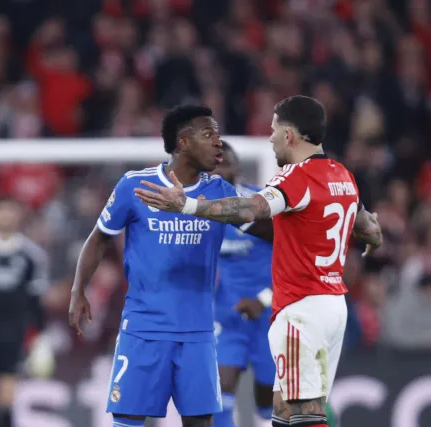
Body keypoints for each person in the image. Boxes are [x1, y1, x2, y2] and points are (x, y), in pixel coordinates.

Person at [134, 96, 383, 427]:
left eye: (274, 129)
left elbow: (251, 209)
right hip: (330, 304)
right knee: (285, 410)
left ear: (289, 135)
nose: (270, 138)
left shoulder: (295, 178)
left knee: (303, 414)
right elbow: (366, 226)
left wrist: (187, 206)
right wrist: (374, 236)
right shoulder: (342, 175)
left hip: (300, 307)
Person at [69, 105, 268, 427]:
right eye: (208, 134)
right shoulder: (136, 185)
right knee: (128, 420)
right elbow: (99, 237)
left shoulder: (219, 191)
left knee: (201, 423)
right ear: (183, 142)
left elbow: (266, 230)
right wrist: (79, 290)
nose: (218, 142)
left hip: (199, 333)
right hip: (144, 328)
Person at [0, 197, 52, 427]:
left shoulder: (31, 254)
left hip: (14, 333)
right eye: (1, 210)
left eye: (10, 211)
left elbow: (36, 299)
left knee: (6, 401)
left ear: (19, 216)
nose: (6, 216)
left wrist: (40, 337)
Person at [211, 140, 274, 427]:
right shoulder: (200, 212)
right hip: (229, 318)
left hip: (270, 316)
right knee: (220, 392)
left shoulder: (261, 206)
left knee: (269, 405)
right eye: (213, 165)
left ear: (238, 168)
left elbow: (296, 263)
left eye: (225, 163)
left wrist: (263, 299)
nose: (218, 170)